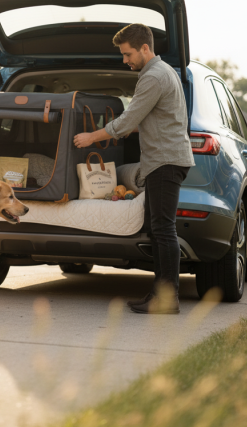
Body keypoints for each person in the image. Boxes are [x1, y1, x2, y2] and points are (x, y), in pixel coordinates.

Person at [73, 23, 195, 314]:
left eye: (127, 54)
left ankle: (167, 299)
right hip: (163, 160)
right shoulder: (165, 73)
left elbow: (127, 120)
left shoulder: (152, 76)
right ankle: (160, 294)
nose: (125, 60)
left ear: (144, 48)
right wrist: (136, 127)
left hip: (165, 161)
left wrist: (92, 136)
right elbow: (154, 117)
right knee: (157, 228)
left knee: (163, 230)